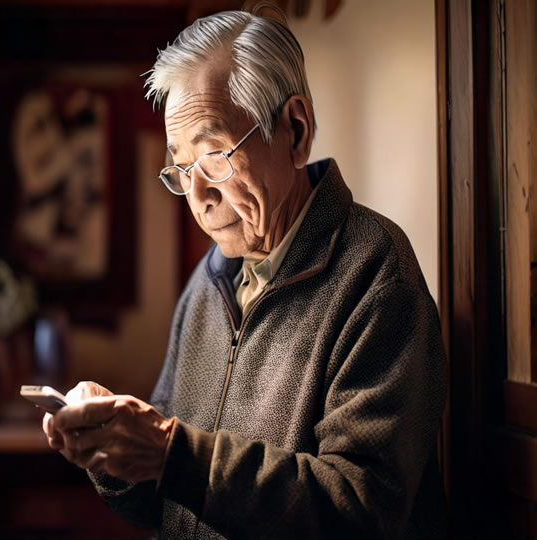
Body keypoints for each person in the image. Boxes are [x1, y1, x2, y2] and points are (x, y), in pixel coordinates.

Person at [41, 5, 447, 539]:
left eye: (214, 155)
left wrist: (171, 454)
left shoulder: (375, 275)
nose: (198, 196)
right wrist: (111, 450)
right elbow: (165, 502)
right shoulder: (208, 282)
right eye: (181, 168)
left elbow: (361, 511)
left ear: (296, 131)